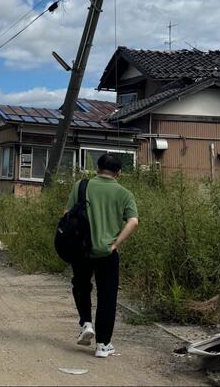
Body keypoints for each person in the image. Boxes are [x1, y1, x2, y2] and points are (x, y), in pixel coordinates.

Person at [65, 153, 139, 358]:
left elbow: (67, 215)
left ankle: (86, 323)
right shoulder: (124, 193)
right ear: (119, 173)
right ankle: (103, 345)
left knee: (81, 286)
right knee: (107, 296)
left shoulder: (81, 186)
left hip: (81, 250)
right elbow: (133, 221)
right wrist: (115, 243)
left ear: (97, 168)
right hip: (107, 252)